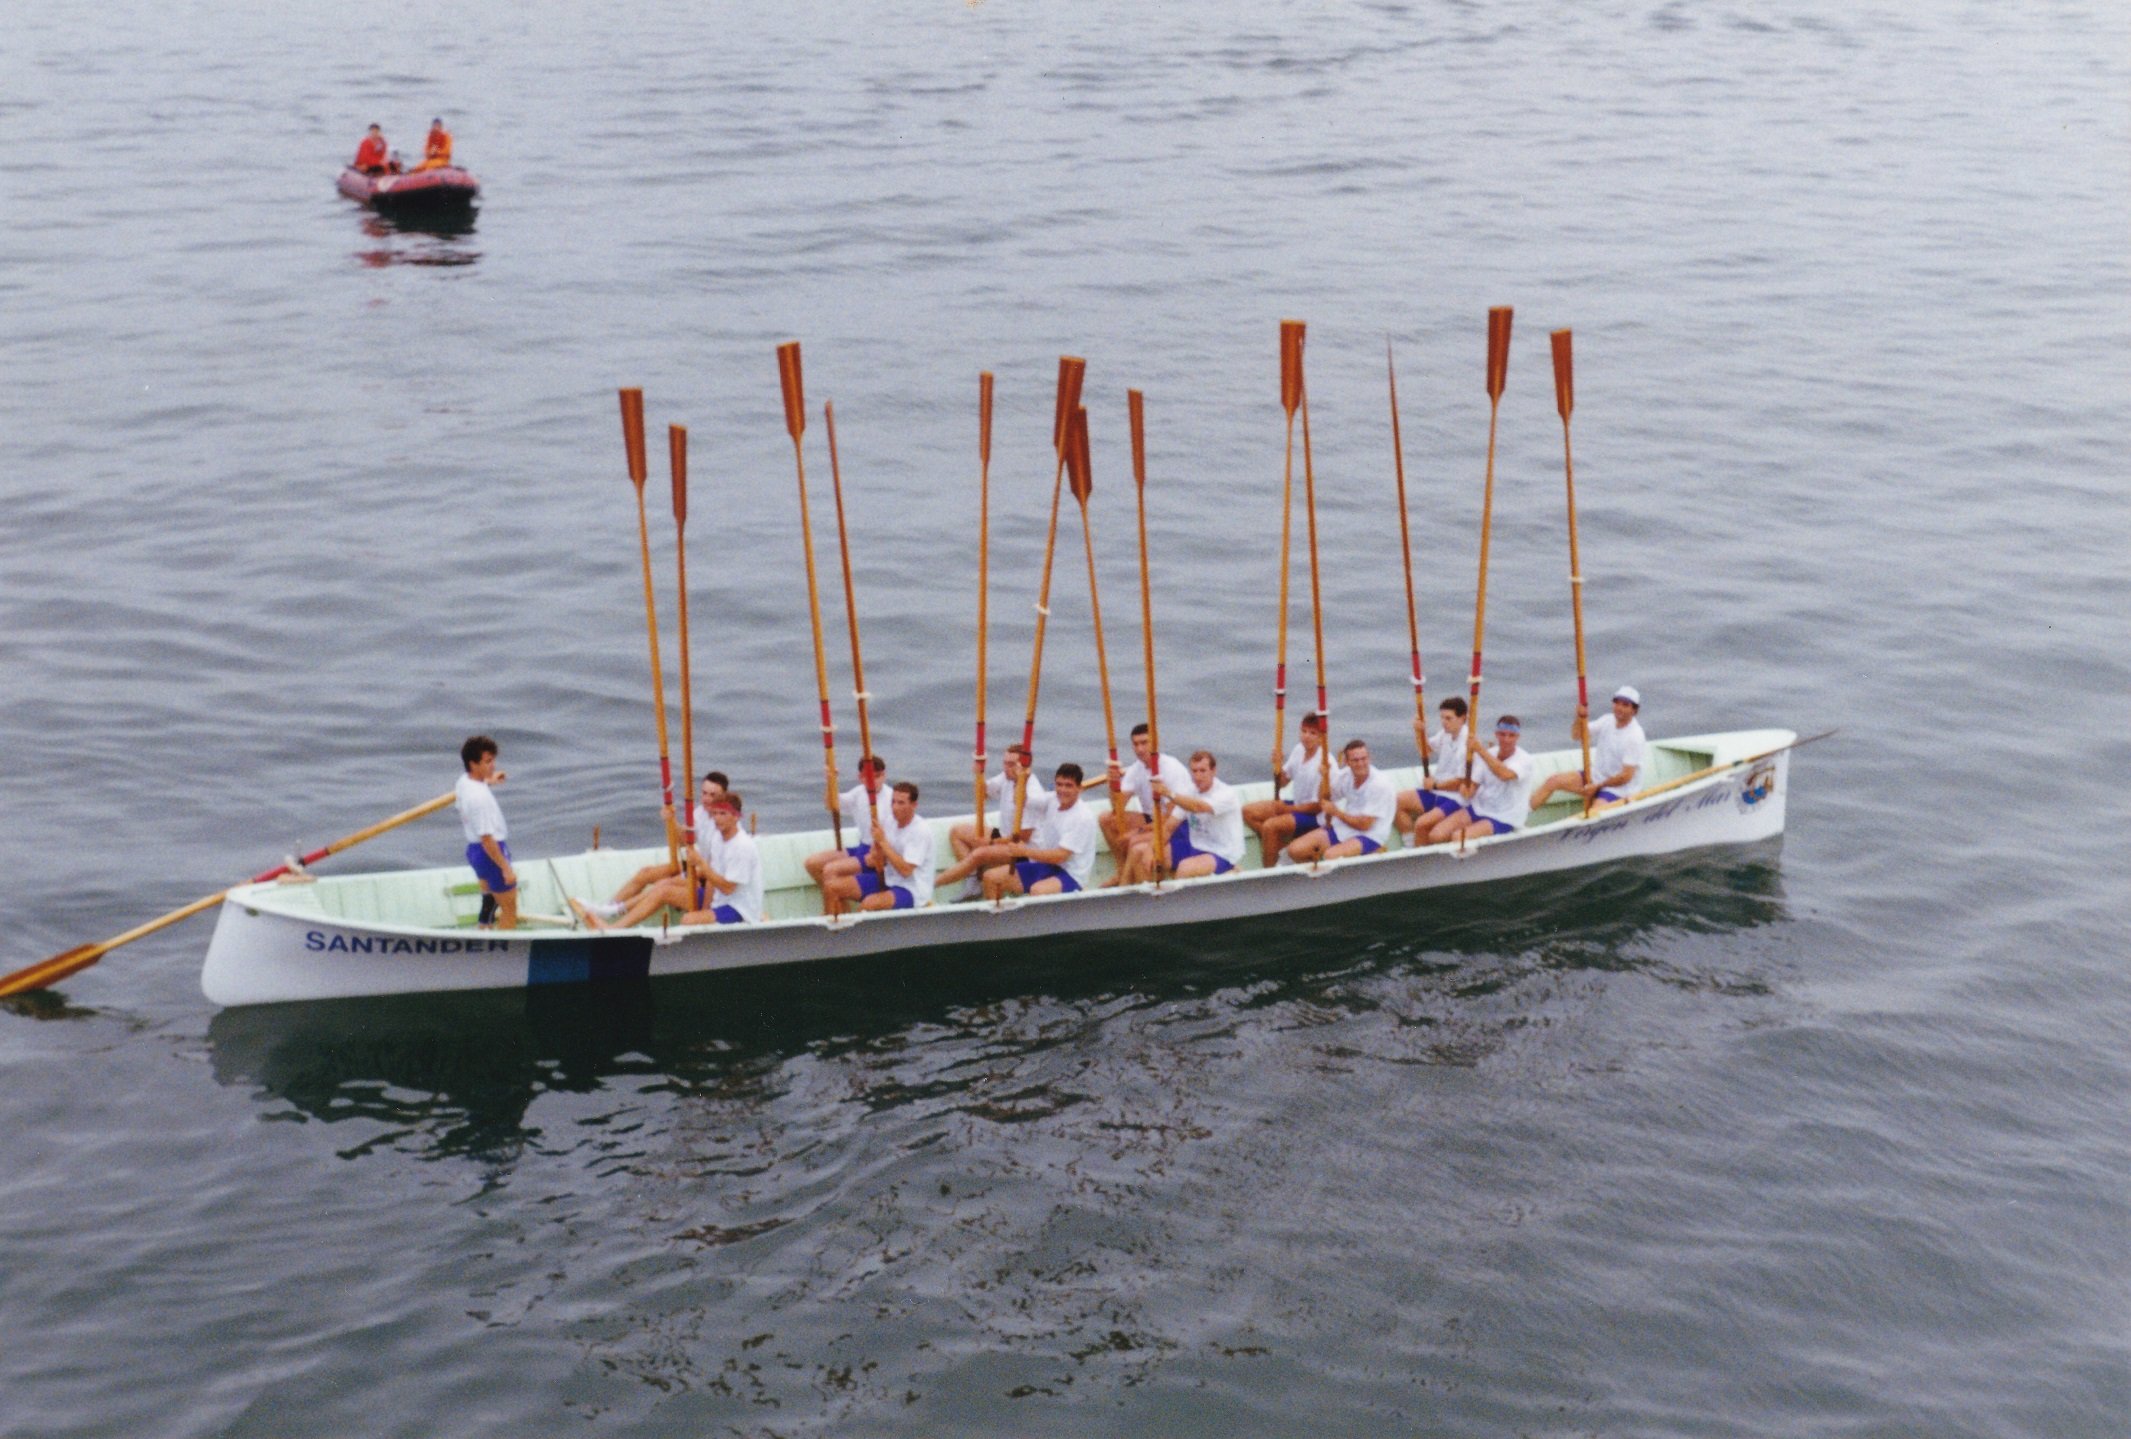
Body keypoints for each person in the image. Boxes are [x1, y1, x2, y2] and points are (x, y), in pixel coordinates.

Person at [577, 791, 761, 929]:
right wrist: (705, 908)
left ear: (736, 817)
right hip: (718, 900)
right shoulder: (717, 838)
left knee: (688, 920)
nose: (718, 819)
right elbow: (712, 884)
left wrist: (701, 865)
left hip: (739, 907)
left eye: (724, 814)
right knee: (662, 890)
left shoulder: (742, 846)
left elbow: (729, 888)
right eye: (715, 814)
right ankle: (613, 929)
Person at [580, 770, 730, 920]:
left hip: (711, 878)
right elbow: (684, 841)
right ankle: (607, 906)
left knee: (662, 885)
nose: (707, 799)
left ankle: (616, 911)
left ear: (724, 796)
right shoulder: (700, 813)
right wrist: (671, 820)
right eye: (704, 793)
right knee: (646, 873)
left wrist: (679, 877)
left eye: (713, 795)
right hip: (698, 866)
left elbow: (712, 871)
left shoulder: (724, 826)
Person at [1119, 750, 1244, 883]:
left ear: (1213, 771)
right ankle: (1146, 900)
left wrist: (1168, 793)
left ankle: (1178, 902)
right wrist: (1151, 850)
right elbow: (1168, 828)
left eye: (1203, 771)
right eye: (1194, 771)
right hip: (1195, 847)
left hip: (1223, 853)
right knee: (1140, 852)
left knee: (1185, 868)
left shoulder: (1226, 794)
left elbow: (1199, 807)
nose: (1198, 776)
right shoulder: (1189, 792)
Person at [938, 744, 1050, 893]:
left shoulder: (1031, 793)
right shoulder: (1007, 777)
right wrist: (979, 774)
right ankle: (973, 881)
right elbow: (983, 794)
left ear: (1024, 765)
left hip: (1023, 850)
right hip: (1005, 836)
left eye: (1011, 764)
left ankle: (934, 884)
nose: (1006, 768)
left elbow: (1023, 837)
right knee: (957, 832)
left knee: (979, 853)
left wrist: (991, 843)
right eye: (1005, 763)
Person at [980, 764, 1101, 899]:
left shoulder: (1082, 817)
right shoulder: (1052, 799)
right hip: (1048, 865)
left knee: (1037, 890)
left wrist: (1024, 851)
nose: (1062, 790)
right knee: (991, 878)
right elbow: (1020, 800)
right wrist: (1022, 780)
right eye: (1059, 785)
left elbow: (1060, 856)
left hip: (1071, 874)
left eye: (1068, 786)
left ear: (1079, 788)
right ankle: (998, 919)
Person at [1420, 716, 1537, 844]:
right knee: (1436, 835)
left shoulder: (1525, 759)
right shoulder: (1488, 753)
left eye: (1511, 735)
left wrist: (1480, 749)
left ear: (1517, 737)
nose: (1506, 739)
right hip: (1478, 808)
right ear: (1496, 735)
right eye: (1502, 734)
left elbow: (1504, 774)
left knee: (1458, 838)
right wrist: (1466, 789)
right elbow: (1472, 787)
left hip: (1504, 817)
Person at [1530, 685, 1648, 810]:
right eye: (1617, 703)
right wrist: (1579, 717)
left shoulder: (1635, 736)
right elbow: (1577, 735)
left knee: (1594, 814)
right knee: (1552, 781)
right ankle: (1521, 818)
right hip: (1596, 777)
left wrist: (1598, 786)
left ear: (1634, 711)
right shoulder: (1607, 720)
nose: (1619, 708)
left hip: (1620, 789)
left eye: (1625, 705)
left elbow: (1626, 776)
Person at [1100, 722, 1192, 881]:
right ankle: (1122, 869)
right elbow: (1117, 808)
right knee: (1106, 819)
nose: (1140, 749)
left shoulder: (1172, 768)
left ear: (1155, 743)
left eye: (1144, 743)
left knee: (1132, 841)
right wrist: (1112, 783)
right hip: (1152, 818)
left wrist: (1139, 831)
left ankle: (1133, 879)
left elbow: (1171, 817)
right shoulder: (1136, 769)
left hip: (1176, 825)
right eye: (1136, 744)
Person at [1285, 738, 1399, 864]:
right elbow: (1323, 799)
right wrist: (1324, 778)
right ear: (1347, 762)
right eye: (1355, 760)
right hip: (1346, 826)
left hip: (1371, 834)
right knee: (1295, 850)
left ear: (1369, 758)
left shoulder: (1379, 784)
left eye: (1364, 759)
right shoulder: (1345, 776)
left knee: (1331, 855)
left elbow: (1365, 825)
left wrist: (1336, 813)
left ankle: (1375, 850)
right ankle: (1319, 878)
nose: (1360, 764)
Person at [826, 781, 934, 914]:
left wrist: (882, 842)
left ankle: (857, 932)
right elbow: (876, 859)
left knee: (869, 904)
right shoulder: (889, 821)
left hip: (912, 889)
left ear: (914, 805)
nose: (895, 807)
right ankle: (837, 929)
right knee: (832, 887)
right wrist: (875, 854)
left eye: (901, 803)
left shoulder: (920, 831)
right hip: (888, 877)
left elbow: (905, 870)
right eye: (893, 802)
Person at [802, 754, 894, 903]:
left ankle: (834, 907)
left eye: (878, 776)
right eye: (868, 777)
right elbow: (832, 805)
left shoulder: (891, 799)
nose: (874, 781)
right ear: (860, 777)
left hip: (878, 852)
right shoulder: (858, 793)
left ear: (884, 775)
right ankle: (839, 905)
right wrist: (831, 780)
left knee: (830, 870)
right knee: (813, 863)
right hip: (862, 848)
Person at [1244, 710, 1329, 866]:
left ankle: (1270, 874)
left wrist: (1287, 810)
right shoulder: (1298, 750)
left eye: (1312, 733)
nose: (1307, 736)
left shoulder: (1324, 762)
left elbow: (1318, 806)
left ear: (1321, 737)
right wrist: (1277, 766)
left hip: (1315, 816)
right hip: (1296, 804)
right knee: (1248, 812)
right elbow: (1283, 782)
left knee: (1271, 826)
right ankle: (1279, 847)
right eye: (1303, 731)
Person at [455, 734, 516, 929]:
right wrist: (506, 868)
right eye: (488, 762)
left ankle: (483, 930)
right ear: (474, 764)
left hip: (474, 852)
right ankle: (507, 951)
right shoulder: (479, 799)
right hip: (489, 851)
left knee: (490, 900)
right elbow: (488, 840)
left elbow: (475, 784)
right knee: (509, 908)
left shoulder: (464, 781)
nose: (493, 765)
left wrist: (490, 780)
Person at [1395, 696, 1471, 840]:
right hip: (1436, 790)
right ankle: (1410, 843)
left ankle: (1420, 857)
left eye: (1449, 718)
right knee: (1395, 801)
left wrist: (1435, 784)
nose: (1444, 723)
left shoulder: (1468, 744)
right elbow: (1426, 750)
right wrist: (1419, 732)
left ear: (1463, 718)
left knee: (1421, 824)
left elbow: (1463, 783)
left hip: (1455, 798)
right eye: (1442, 718)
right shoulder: (1446, 734)